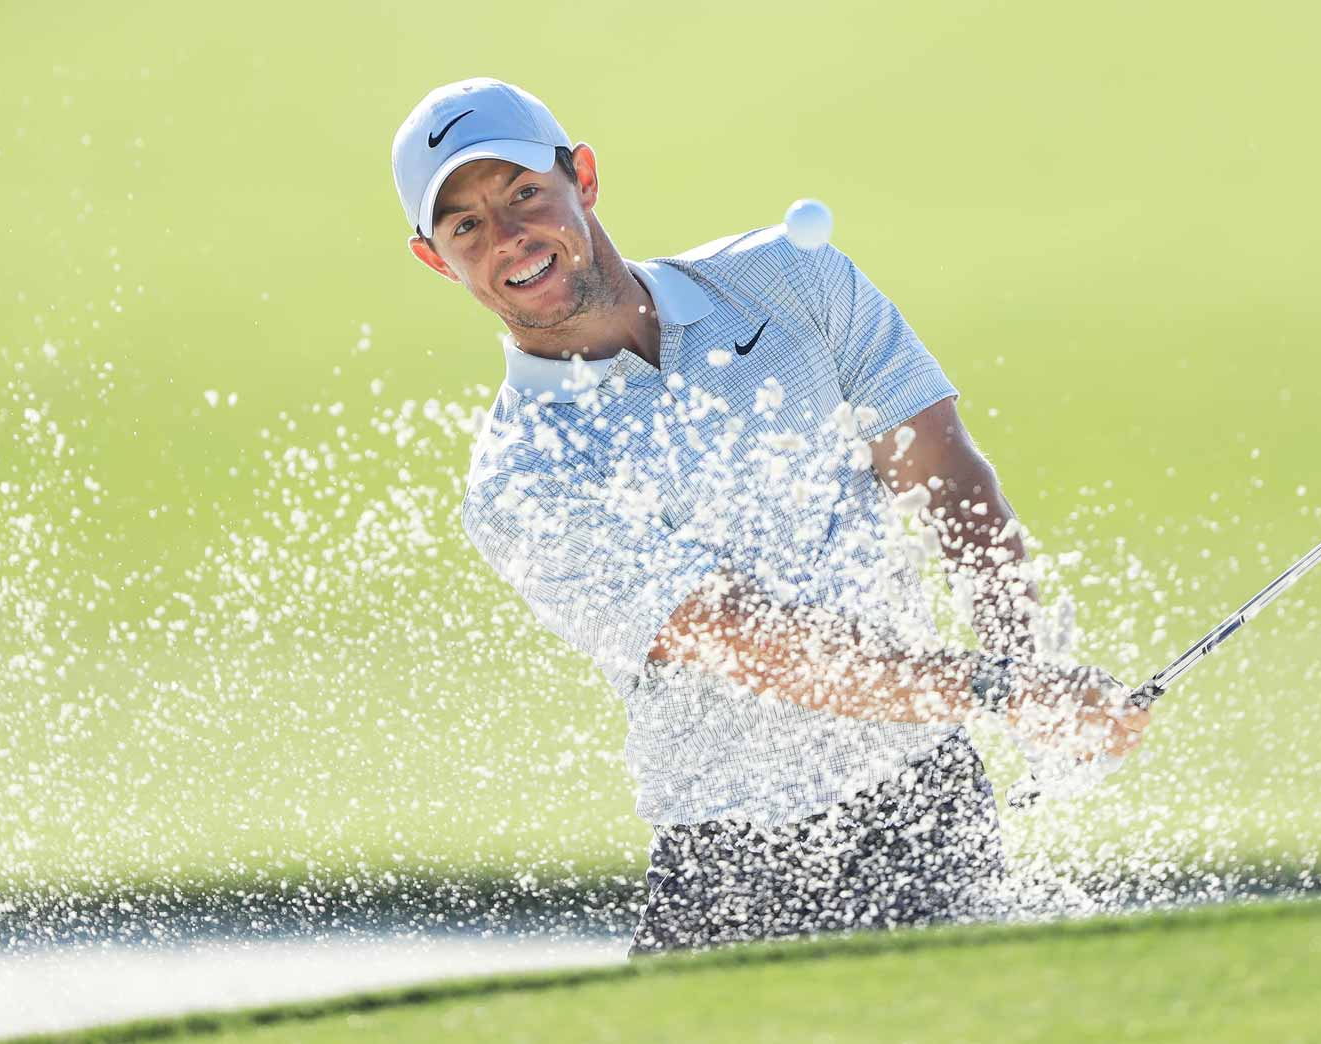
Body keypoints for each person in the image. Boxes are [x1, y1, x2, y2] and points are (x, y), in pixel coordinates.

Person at [390, 77, 1150, 955]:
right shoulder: (521, 483)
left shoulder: (789, 279)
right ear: (433, 257)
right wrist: (1003, 690)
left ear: (583, 178)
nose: (511, 238)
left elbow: (947, 478)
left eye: (524, 193)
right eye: (466, 225)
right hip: (734, 871)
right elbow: (754, 641)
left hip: (928, 803)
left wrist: (1031, 666)